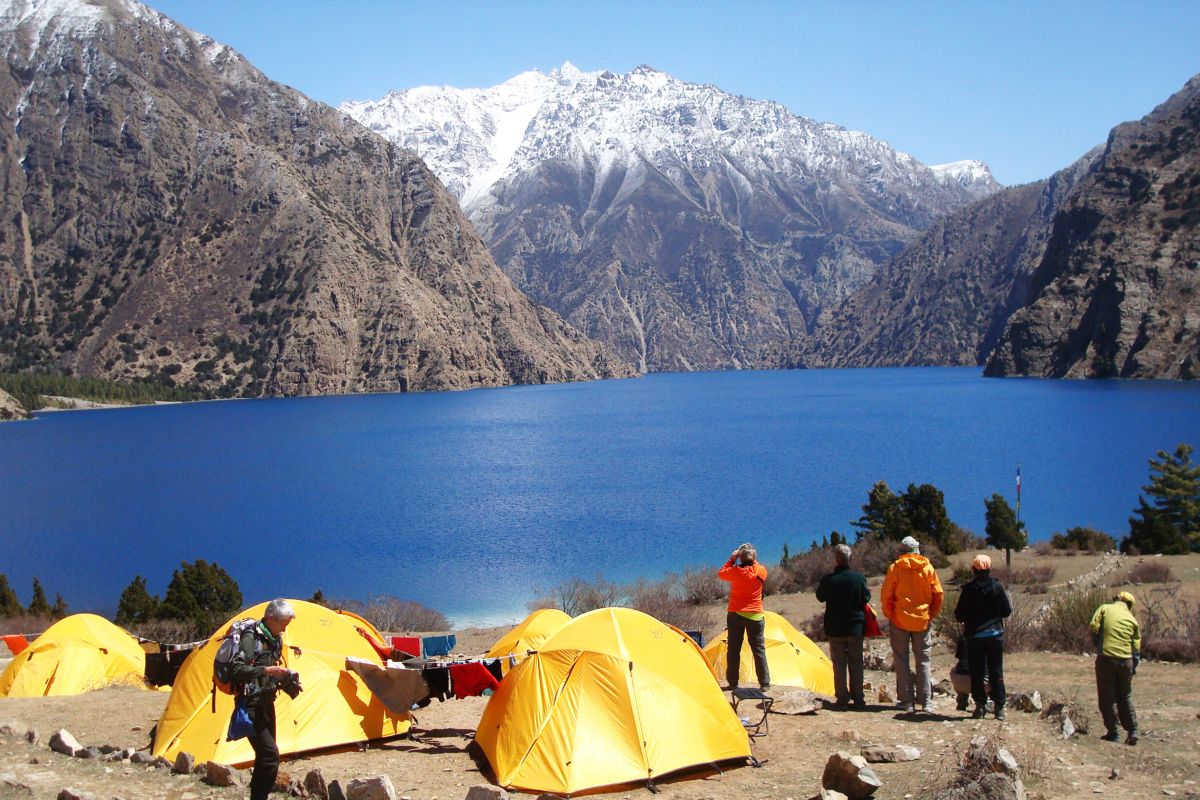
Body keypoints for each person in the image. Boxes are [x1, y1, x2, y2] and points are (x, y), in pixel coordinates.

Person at [231, 598, 299, 800]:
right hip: (250, 705)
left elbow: (272, 669)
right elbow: (237, 669)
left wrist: (286, 680)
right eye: (283, 624)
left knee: (265, 757)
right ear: (270, 619)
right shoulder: (251, 637)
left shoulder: (275, 639)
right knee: (270, 756)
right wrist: (267, 670)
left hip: (267, 703)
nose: (285, 629)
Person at [881, 535, 944, 713]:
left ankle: (907, 702)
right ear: (917, 549)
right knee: (923, 661)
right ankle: (926, 702)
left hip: (900, 619)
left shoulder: (895, 568)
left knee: (901, 660)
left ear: (902, 550)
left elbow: (886, 595)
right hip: (922, 620)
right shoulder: (928, 568)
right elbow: (938, 594)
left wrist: (890, 615)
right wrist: (930, 614)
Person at [954, 553, 1012, 719]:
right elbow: (1006, 611)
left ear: (973, 569)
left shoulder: (968, 590)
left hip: (975, 637)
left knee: (977, 672)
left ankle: (980, 707)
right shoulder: (997, 587)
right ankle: (999, 707)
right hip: (995, 635)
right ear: (989, 569)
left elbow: (959, 615)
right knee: (996, 671)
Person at [816, 543, 870, 708]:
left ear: (836, 560)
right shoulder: (859, 579)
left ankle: (842, 698)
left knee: (839, 664)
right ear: (850, 559)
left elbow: (820, 597)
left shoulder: (828, 580)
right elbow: (866, 598)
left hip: (835, 628)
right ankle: (858, 698)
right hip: (855, 627)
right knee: (856, 663)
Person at [1089, 591, 1141, 745]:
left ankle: (1113, 732)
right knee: (1125, 696)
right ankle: (1133, 731)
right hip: (1126, 662)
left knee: (1107, 696)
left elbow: (1093, 626)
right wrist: (1133, 668)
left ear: (1118, 599)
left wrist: (1098, 644)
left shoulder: (1105, 608)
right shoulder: (1132, 620)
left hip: (1106, 658)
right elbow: (1136, 648)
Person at [718, 542, 770, 692]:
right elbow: (758, 566)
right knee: (758, 649)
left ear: (740, 558)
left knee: (734, 649)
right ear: (753, 558)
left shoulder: (734, 572)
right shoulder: (761, 571)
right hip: (755, 615)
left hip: (735, 614)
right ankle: (764, 683)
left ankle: (733, 682)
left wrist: (732, 558)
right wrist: (751, 557)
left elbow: (721, 573)